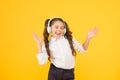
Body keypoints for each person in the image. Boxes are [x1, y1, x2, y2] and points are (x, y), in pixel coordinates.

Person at [32, 17, 98, 80]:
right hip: (55, 73)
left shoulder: (70, 39)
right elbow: (42, 62)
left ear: (64, 30)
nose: (59, 30)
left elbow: (83, 49)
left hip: (69, 73)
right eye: (56, 27)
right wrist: (39, 45)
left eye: (62, 28)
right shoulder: (48, 44)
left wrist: (88, 38)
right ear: (50, 29)